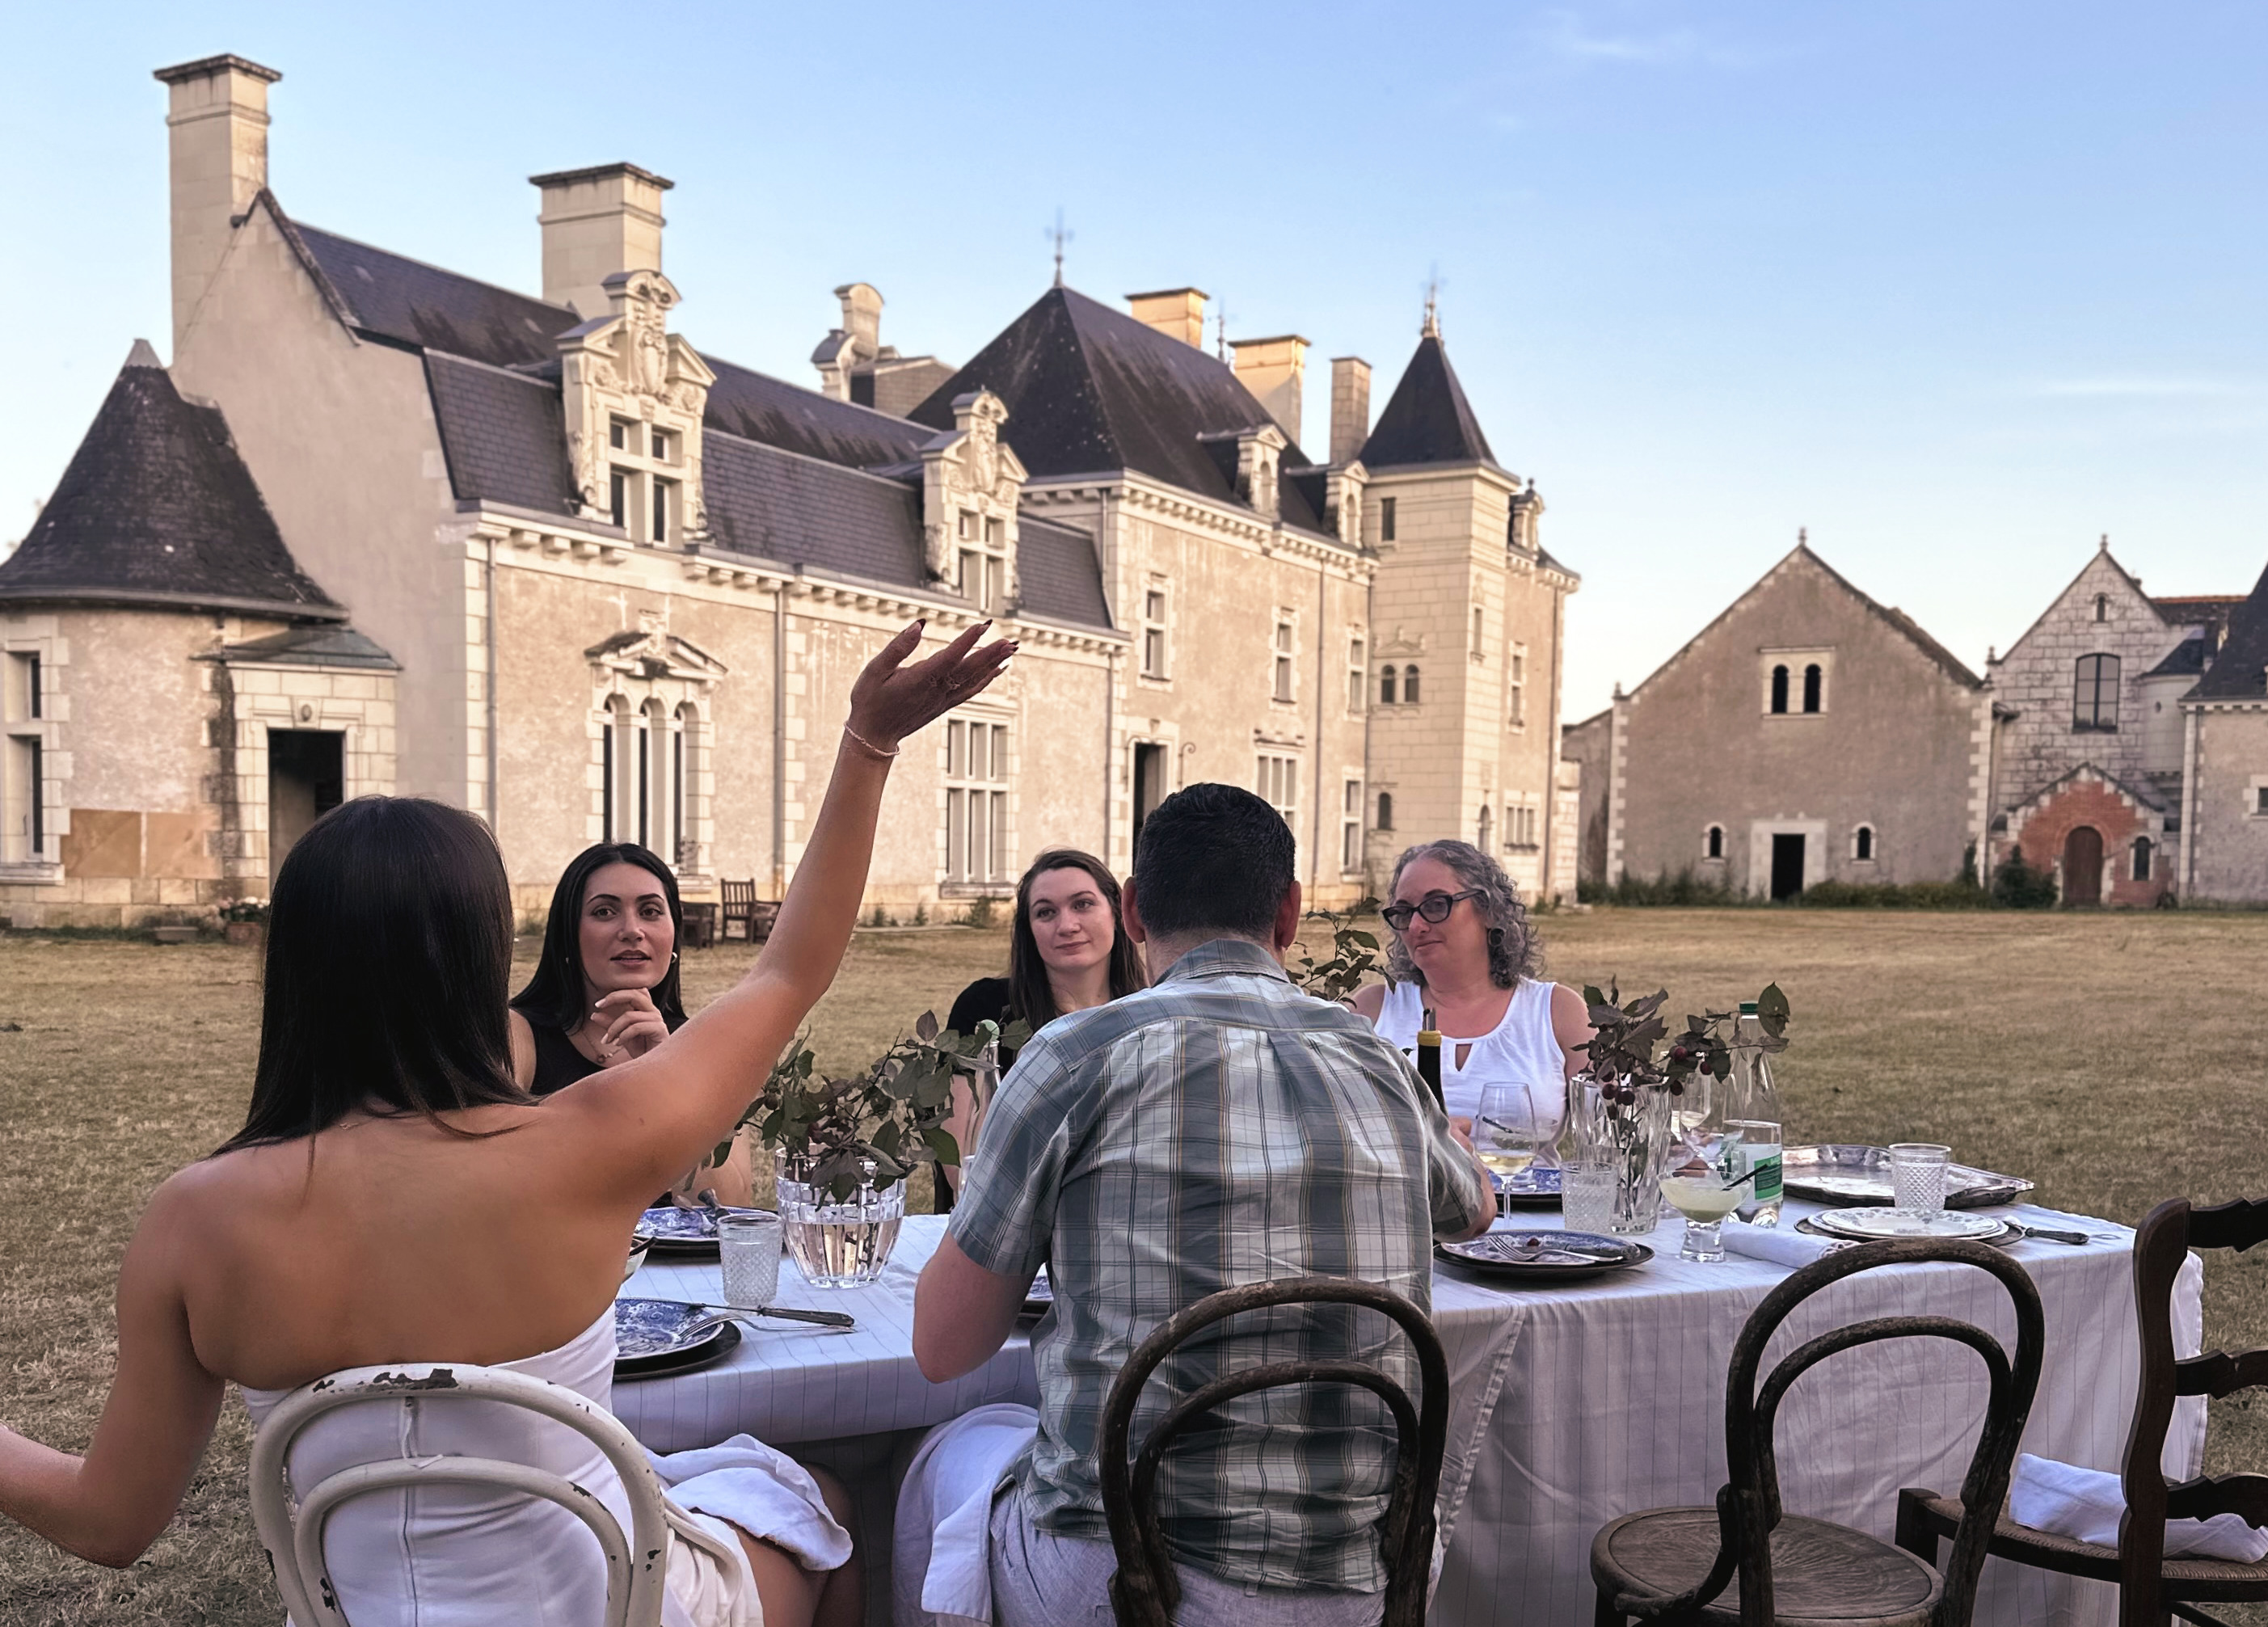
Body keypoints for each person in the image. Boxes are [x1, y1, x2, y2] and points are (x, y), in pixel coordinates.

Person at [0, 618, 1014, 1627]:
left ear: (293, 966)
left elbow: (110, 1520)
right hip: (612, 1608)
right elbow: (788, 973)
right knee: (827, 1509)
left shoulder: (192, 1221)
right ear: (479, 961)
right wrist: (868, 744)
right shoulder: (586, 1144)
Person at [898, 783, 1495, 1627]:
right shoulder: (1378, 1060)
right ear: (1288, 914)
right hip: (1366, 1582)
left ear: (1132, 912)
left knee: (941, 1459)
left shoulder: (1073, 1057)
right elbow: (1476, 1211)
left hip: (1134, 1583)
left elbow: (943, 1349)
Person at [510, 841, 751, 1205]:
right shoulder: (518, 1036)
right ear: (568, 935)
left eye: (651, 911)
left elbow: (726, 1208)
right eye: (604, 911)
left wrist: (666, 1075)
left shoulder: (707, 1050)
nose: (632, 930)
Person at [934, 848, 1145, 1208]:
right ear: (1029, 930)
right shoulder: (985, 1011)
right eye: (1046, 912)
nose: (1067, 926)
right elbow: (964, 1164)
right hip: (1008, 1223)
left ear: (1117, 911)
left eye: (1082, 904)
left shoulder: (1148, 1013)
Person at [1351, 838, 1595, 1134]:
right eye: (1403, 912)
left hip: (1519, 1167)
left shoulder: (1556, 1011)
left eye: (1436, 905)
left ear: (1489, 911)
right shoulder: (1372, 1011)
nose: (1415, 926)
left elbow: (1606, 1132)